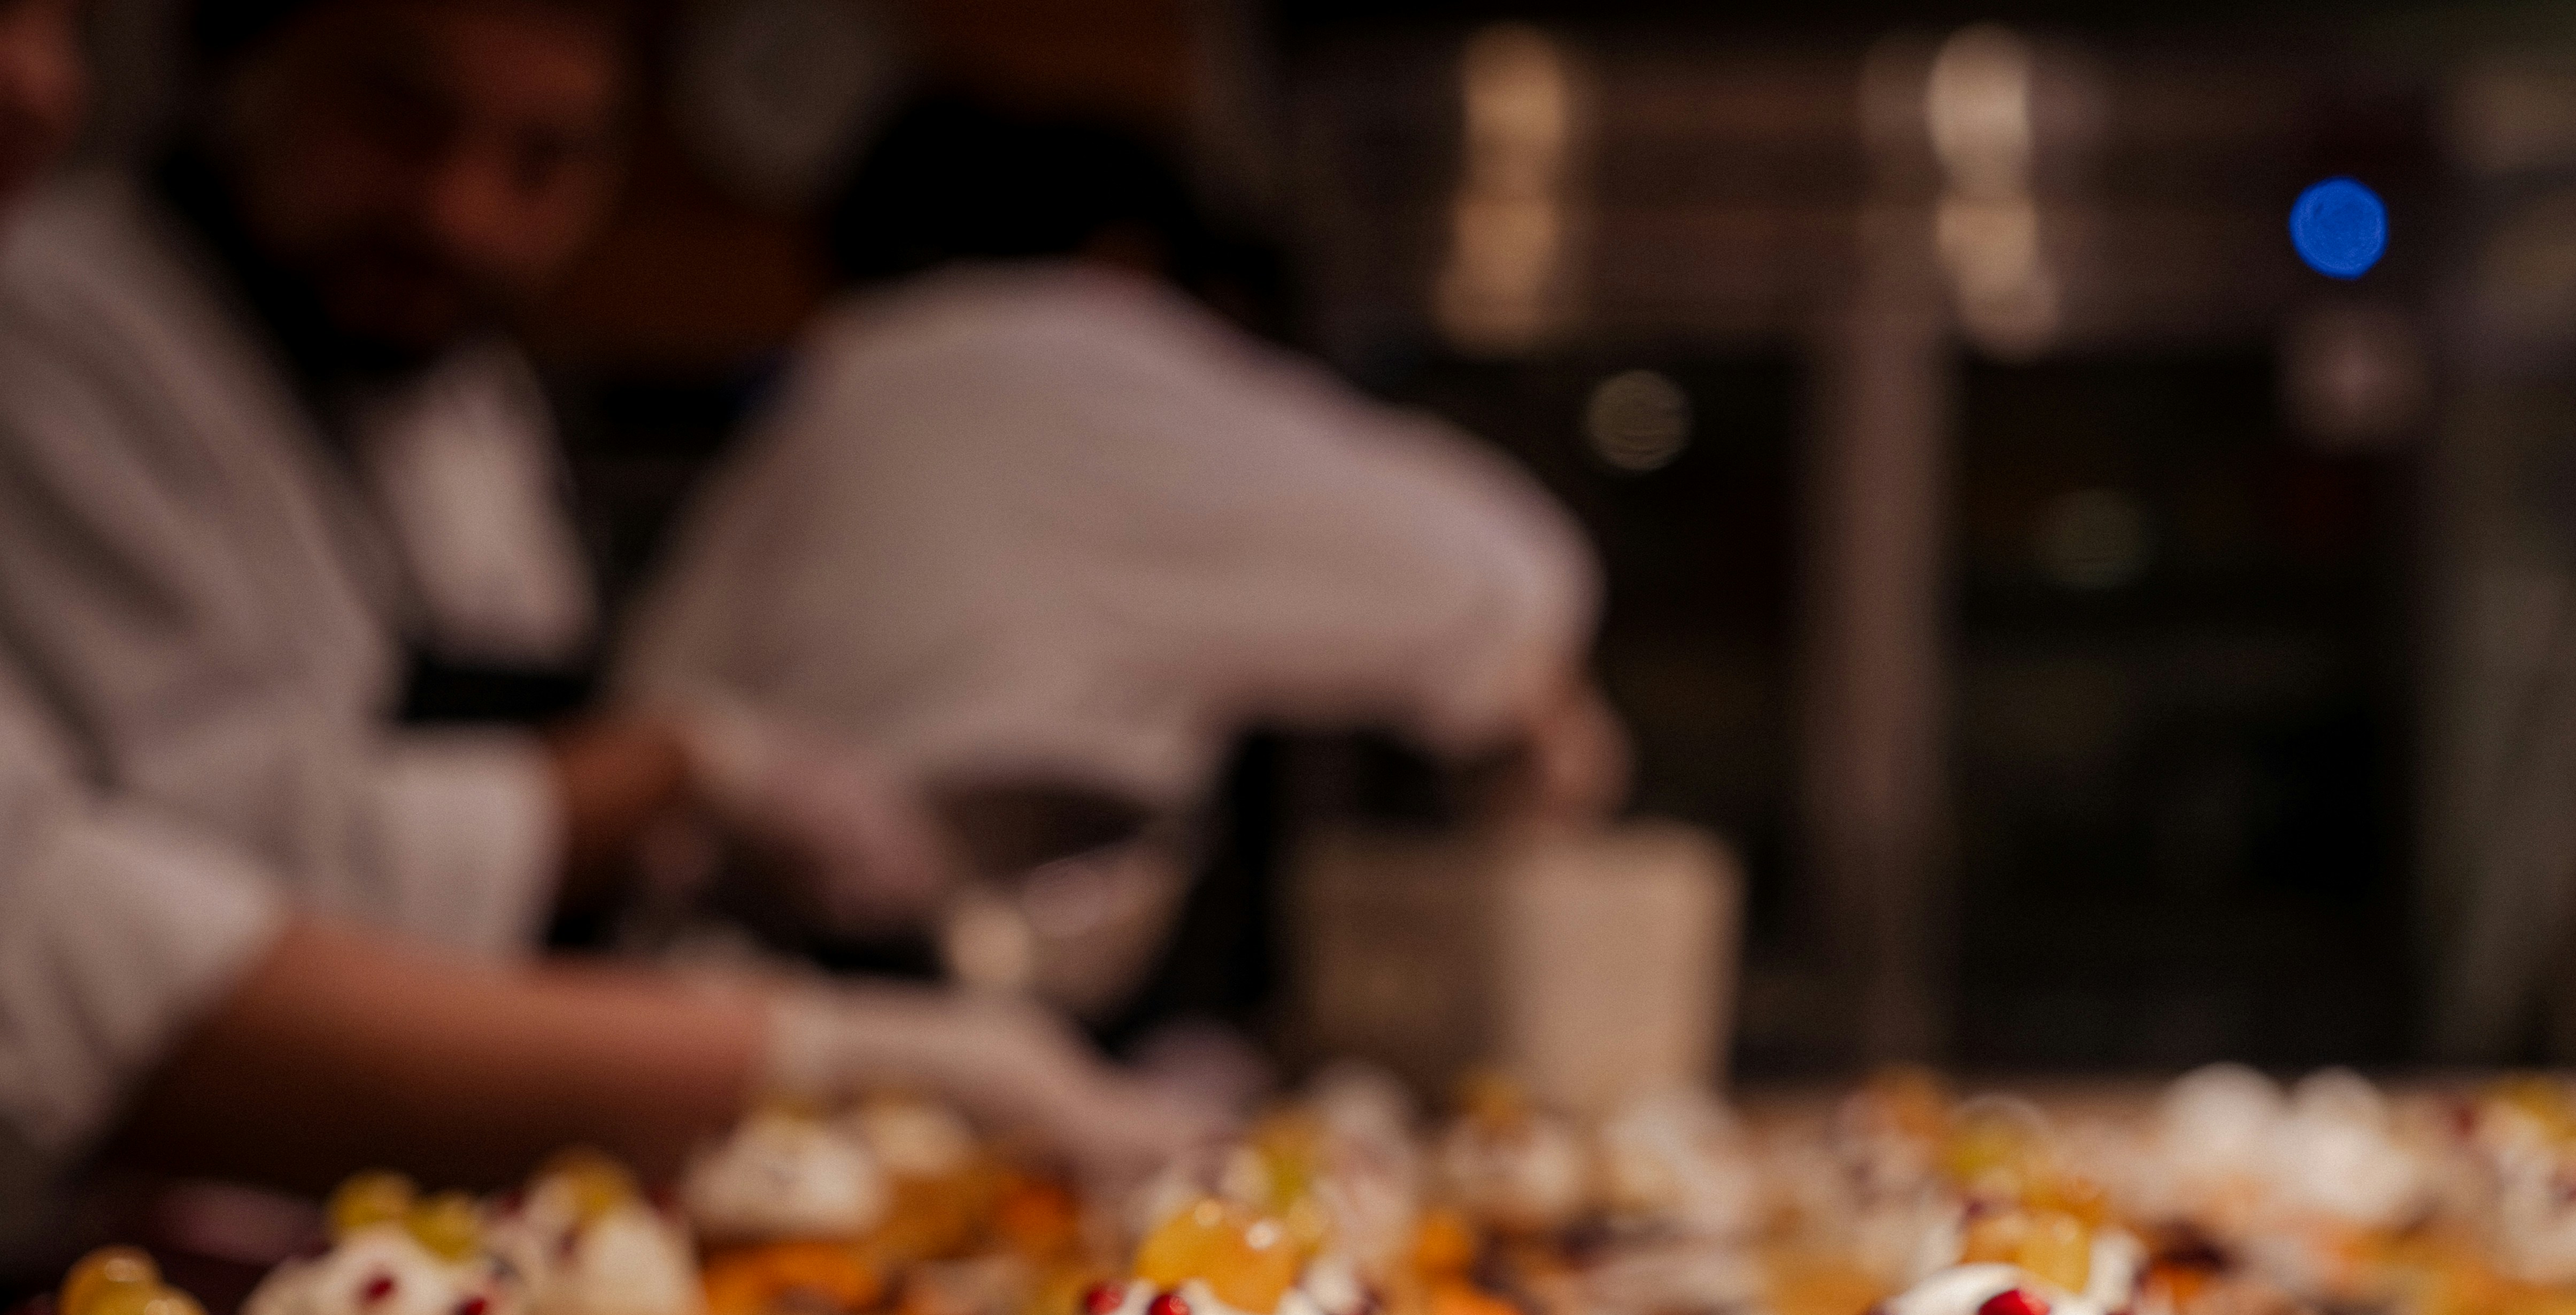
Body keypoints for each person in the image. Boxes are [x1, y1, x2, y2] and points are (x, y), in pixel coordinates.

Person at [0, 0, 1217, 1241]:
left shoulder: (460, 384)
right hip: (145, 1220)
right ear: (242, 68)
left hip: (468, 1199)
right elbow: (163, 921)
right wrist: (678, 785)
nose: (459, 211)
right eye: (394, 119)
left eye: (542, 160)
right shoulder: (56, 326)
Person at [618, 97, 1625, 1011]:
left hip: (716, 1007)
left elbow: (647, 708)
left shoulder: (826, 383)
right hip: (987, 976)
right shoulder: (1085, 346)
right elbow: (1501, 567)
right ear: (1128, 265)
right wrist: (1540, 721)